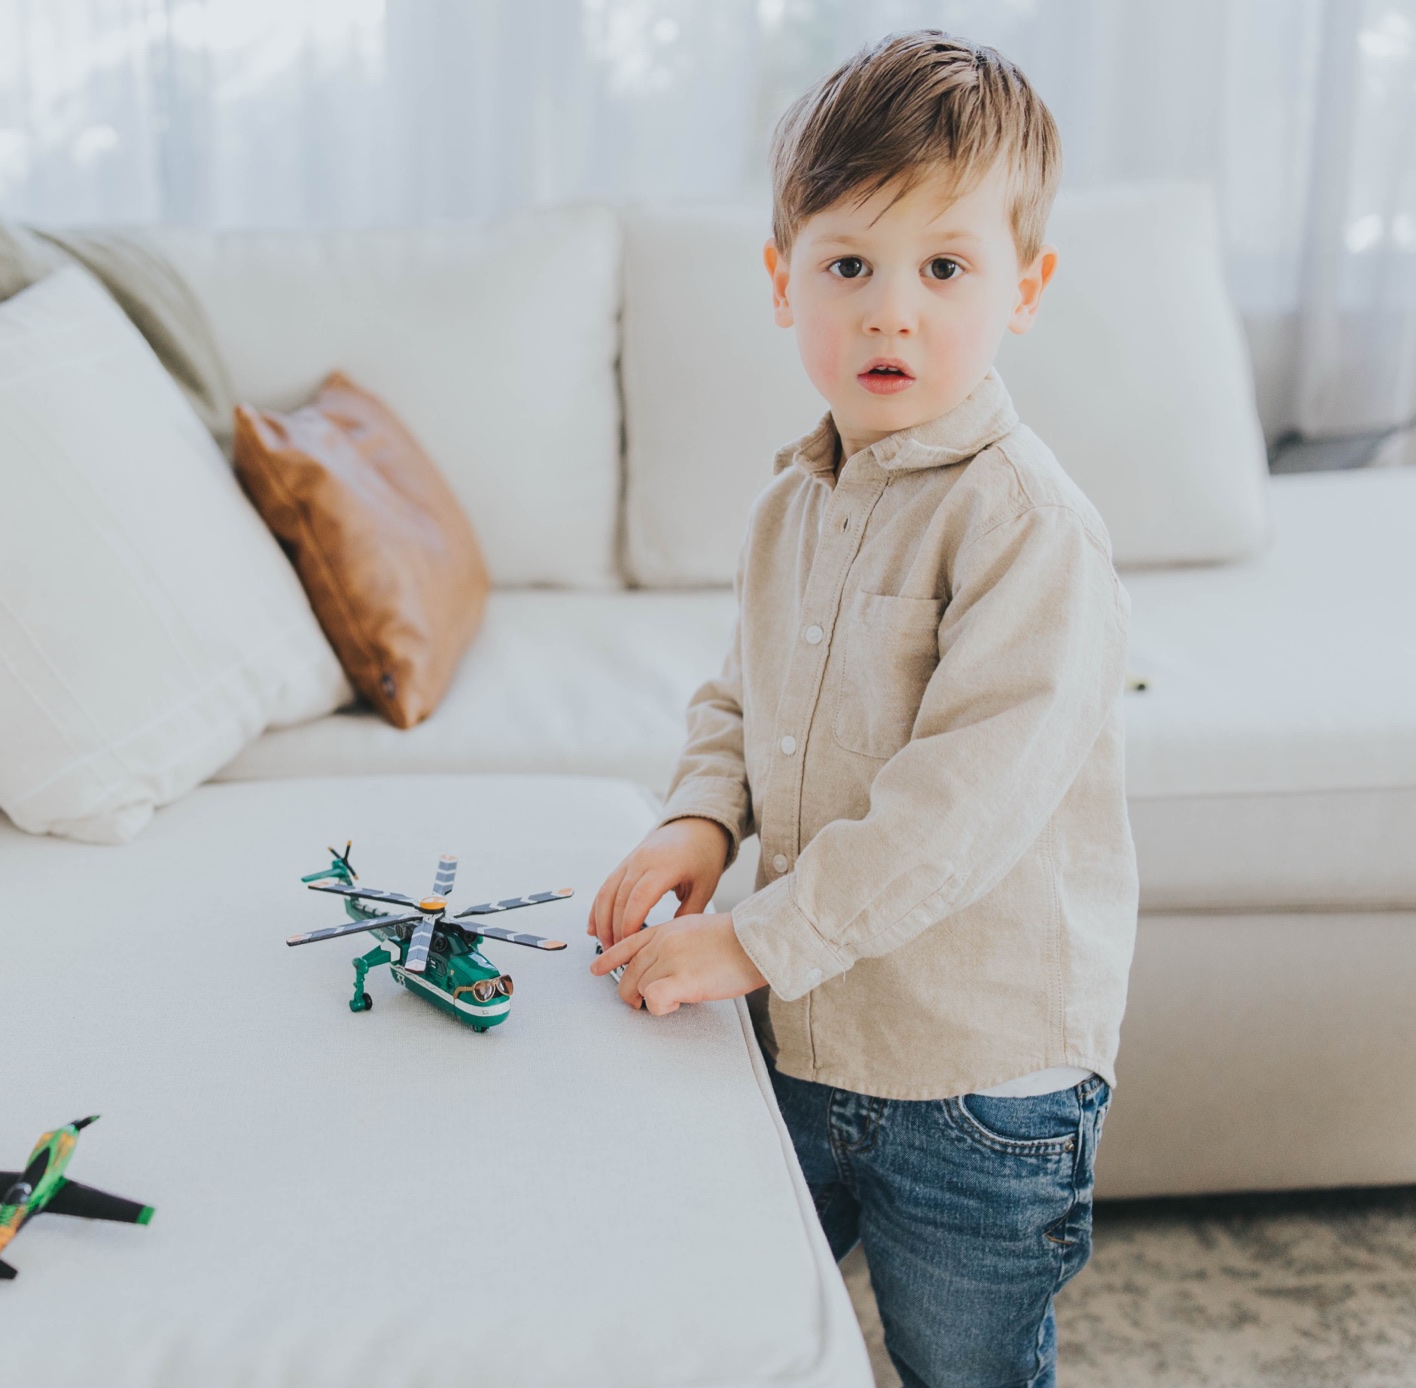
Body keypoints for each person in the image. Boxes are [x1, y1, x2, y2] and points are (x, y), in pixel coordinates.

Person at [588, 30, 1138, 1388]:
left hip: (977, 1084)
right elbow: (744, 694)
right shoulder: (793, 502)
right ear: (784, 282)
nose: (891, 312)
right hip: (809, 1032)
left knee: (963, 1364)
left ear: (1025, 289)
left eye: (945, 268)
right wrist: (699, 820)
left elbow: (961, 810)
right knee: (738, 1323)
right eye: (850, 266)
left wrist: (752, 940)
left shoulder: (1027, 528)